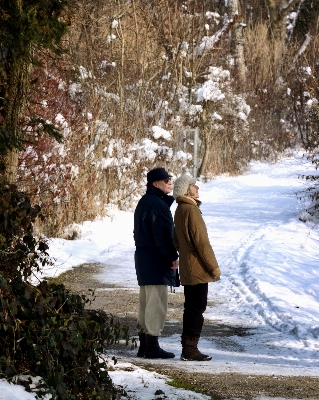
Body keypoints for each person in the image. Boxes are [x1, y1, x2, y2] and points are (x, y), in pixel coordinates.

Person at [173, 174, 221, 361]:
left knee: (191, 306)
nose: (197, 188)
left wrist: (185, 254)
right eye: (194, 186)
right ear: (186, 189)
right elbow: (202, 244)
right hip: (198, 268)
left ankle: (188, 348)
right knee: (196, 307)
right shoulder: (191, 210)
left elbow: (176, 240)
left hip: (187, 266)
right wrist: (213, 268)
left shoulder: (179, 209)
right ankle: (190, 349)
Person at [134, 167, 179, 359]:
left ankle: (145, 345)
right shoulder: (158, 205)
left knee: (146, 302)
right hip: (156, 260)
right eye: (166, 179)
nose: (170, 182)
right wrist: (171, 257)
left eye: (170, 179)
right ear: (155, 183)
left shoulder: (145, 202)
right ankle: (151, 345)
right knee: (156, 303)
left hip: (145, 259)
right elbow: (162, 236)